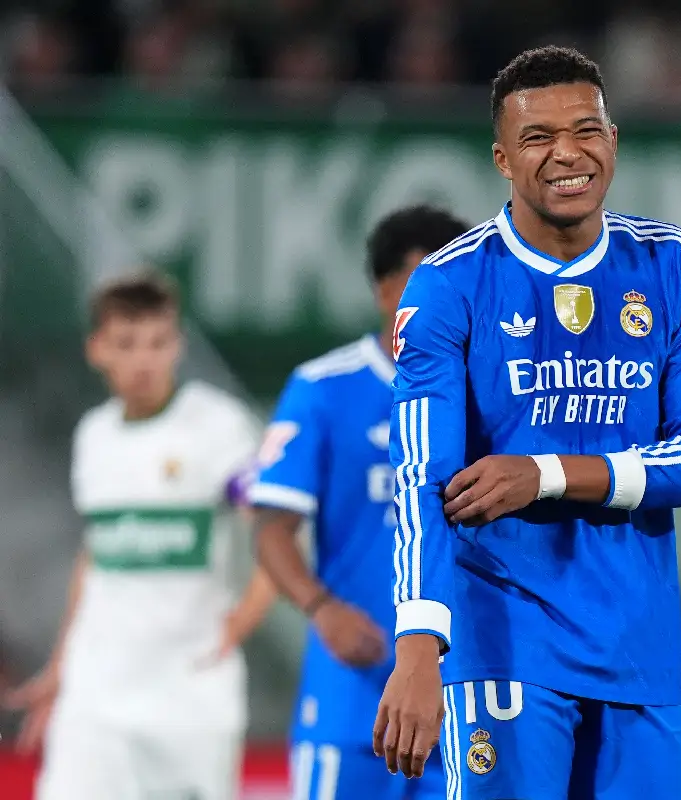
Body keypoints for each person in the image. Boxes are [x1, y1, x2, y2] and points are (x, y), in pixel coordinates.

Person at [374, 46, 681, 799]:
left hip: (639, 655)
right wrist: (419, 646)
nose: (567, 153)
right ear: (503, 159)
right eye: (538, 138)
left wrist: (541, 473)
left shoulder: (676, 267)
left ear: (614, 142)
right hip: (504, 643)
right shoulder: (449, 285)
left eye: (586, 130)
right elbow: (421, 476)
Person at [5, 273, 276, 800]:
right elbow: (96, 554)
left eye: (157, 342)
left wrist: (246, 616)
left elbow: (274, 528)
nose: (144, 360)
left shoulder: (219, 428)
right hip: (96, 699)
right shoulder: (93, 436)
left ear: (176, 345)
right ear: (97, 350)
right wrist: (62, 665)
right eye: (126, 344)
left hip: (190, 698)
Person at [251, 205, 469, 799]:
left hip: (466, 694)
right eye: (422, 283)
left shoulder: (497, 395)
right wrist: (323, 609)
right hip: (353, 692)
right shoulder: (324, 388)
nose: (440, 303)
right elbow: (271, 529)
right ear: (383, 291)